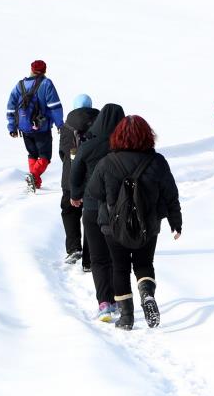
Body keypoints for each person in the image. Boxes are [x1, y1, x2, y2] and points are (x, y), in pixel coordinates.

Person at [87, 115, 182, 330]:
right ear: (147, 135)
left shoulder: (106, 162)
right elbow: (170, 194)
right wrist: (176, 222)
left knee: (119, 268)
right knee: (144, 264)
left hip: (113, 226)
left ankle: (126, 318)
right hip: (148, 224)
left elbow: (93, 191)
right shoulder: (157, 162)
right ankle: (147, 293)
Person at [70, 103, 125, 321]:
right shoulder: (124, 145)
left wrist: (75, 194)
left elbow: (75, 171)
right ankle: (120, 299)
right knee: (116, 257)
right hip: (119, 208)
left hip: (92, 207)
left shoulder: (89, 143)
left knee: (99, 258)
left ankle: (104, 303)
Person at [7, 60, 65, 192]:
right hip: (41, 128)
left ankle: (35, 183)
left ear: (31, 69)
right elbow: (54, 106)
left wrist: (12, 127)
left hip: (24, 128)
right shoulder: (46, 83)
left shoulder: (19, 85)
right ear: (45, 71)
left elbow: (11, 107)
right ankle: (33, 176)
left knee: (32, 154)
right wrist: (60, 124)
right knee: (45, 156)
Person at [59, 94, 99, 268]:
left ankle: (74, 248)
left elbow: (62, 152)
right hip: (94, 176)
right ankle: (90, 257)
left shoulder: (66, 125)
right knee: (92, 215)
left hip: (70, 176)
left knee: (69, 211)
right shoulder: (100, 122)